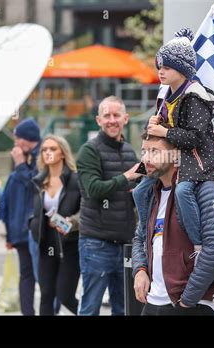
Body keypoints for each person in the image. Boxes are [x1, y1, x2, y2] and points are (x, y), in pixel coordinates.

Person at [131, 130, 214, 315]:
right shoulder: (151, 192)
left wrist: (188, 300)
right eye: (144, 151)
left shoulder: (206, 189)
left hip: (192, 304)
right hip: (154, 302)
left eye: (154, 151)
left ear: (176, 154)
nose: (146, 158)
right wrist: (140, 270)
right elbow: (139, 238)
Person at [134, 28, 214, 263]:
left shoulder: (195, 96)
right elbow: (153, 136)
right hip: (168, 156)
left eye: (167, 67)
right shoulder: (164, 94)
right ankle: (144, 235)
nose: (160, 71)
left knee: (182, 191)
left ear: (182, 70)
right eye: (159, 66)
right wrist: (153, 126)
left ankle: (198, 243)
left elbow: (196, 137)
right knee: (140, 190)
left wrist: (164, 131)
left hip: (197, 156)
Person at [76, 95, 140, 316]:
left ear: (126, 118)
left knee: (123, 309)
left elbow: (127, 194)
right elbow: (93, 190)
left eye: (116, 115)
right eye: (107, 116)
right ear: (98, 120)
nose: (112, 120)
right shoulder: (89, 150)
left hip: (125, 244)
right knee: (90, 308)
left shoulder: (130, 151)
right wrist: (126, 177)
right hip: (96, 243)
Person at [30, 135, 81, 315]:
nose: (48, 153)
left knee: (65, 294)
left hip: (69, 243)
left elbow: (86, 211)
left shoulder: (75, 179)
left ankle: (88, 312)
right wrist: (33, 224)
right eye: (44, 150)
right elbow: (33, 212)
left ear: (63, 154)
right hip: (45, 242)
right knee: (46, 294)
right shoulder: (38, 182)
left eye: (53, 149)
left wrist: (71, 222)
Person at [0, 118, 41, 315]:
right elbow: (7, 197)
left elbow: (36, 184)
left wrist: (20, 164)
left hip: (37, 228)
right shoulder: (21, 160)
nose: (16, 143)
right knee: (26, 273)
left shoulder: (42, 155)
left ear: (28, 138)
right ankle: (27, 312)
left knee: (42, 273)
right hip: (20, 229)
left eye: (18, 139)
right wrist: (9, 234)